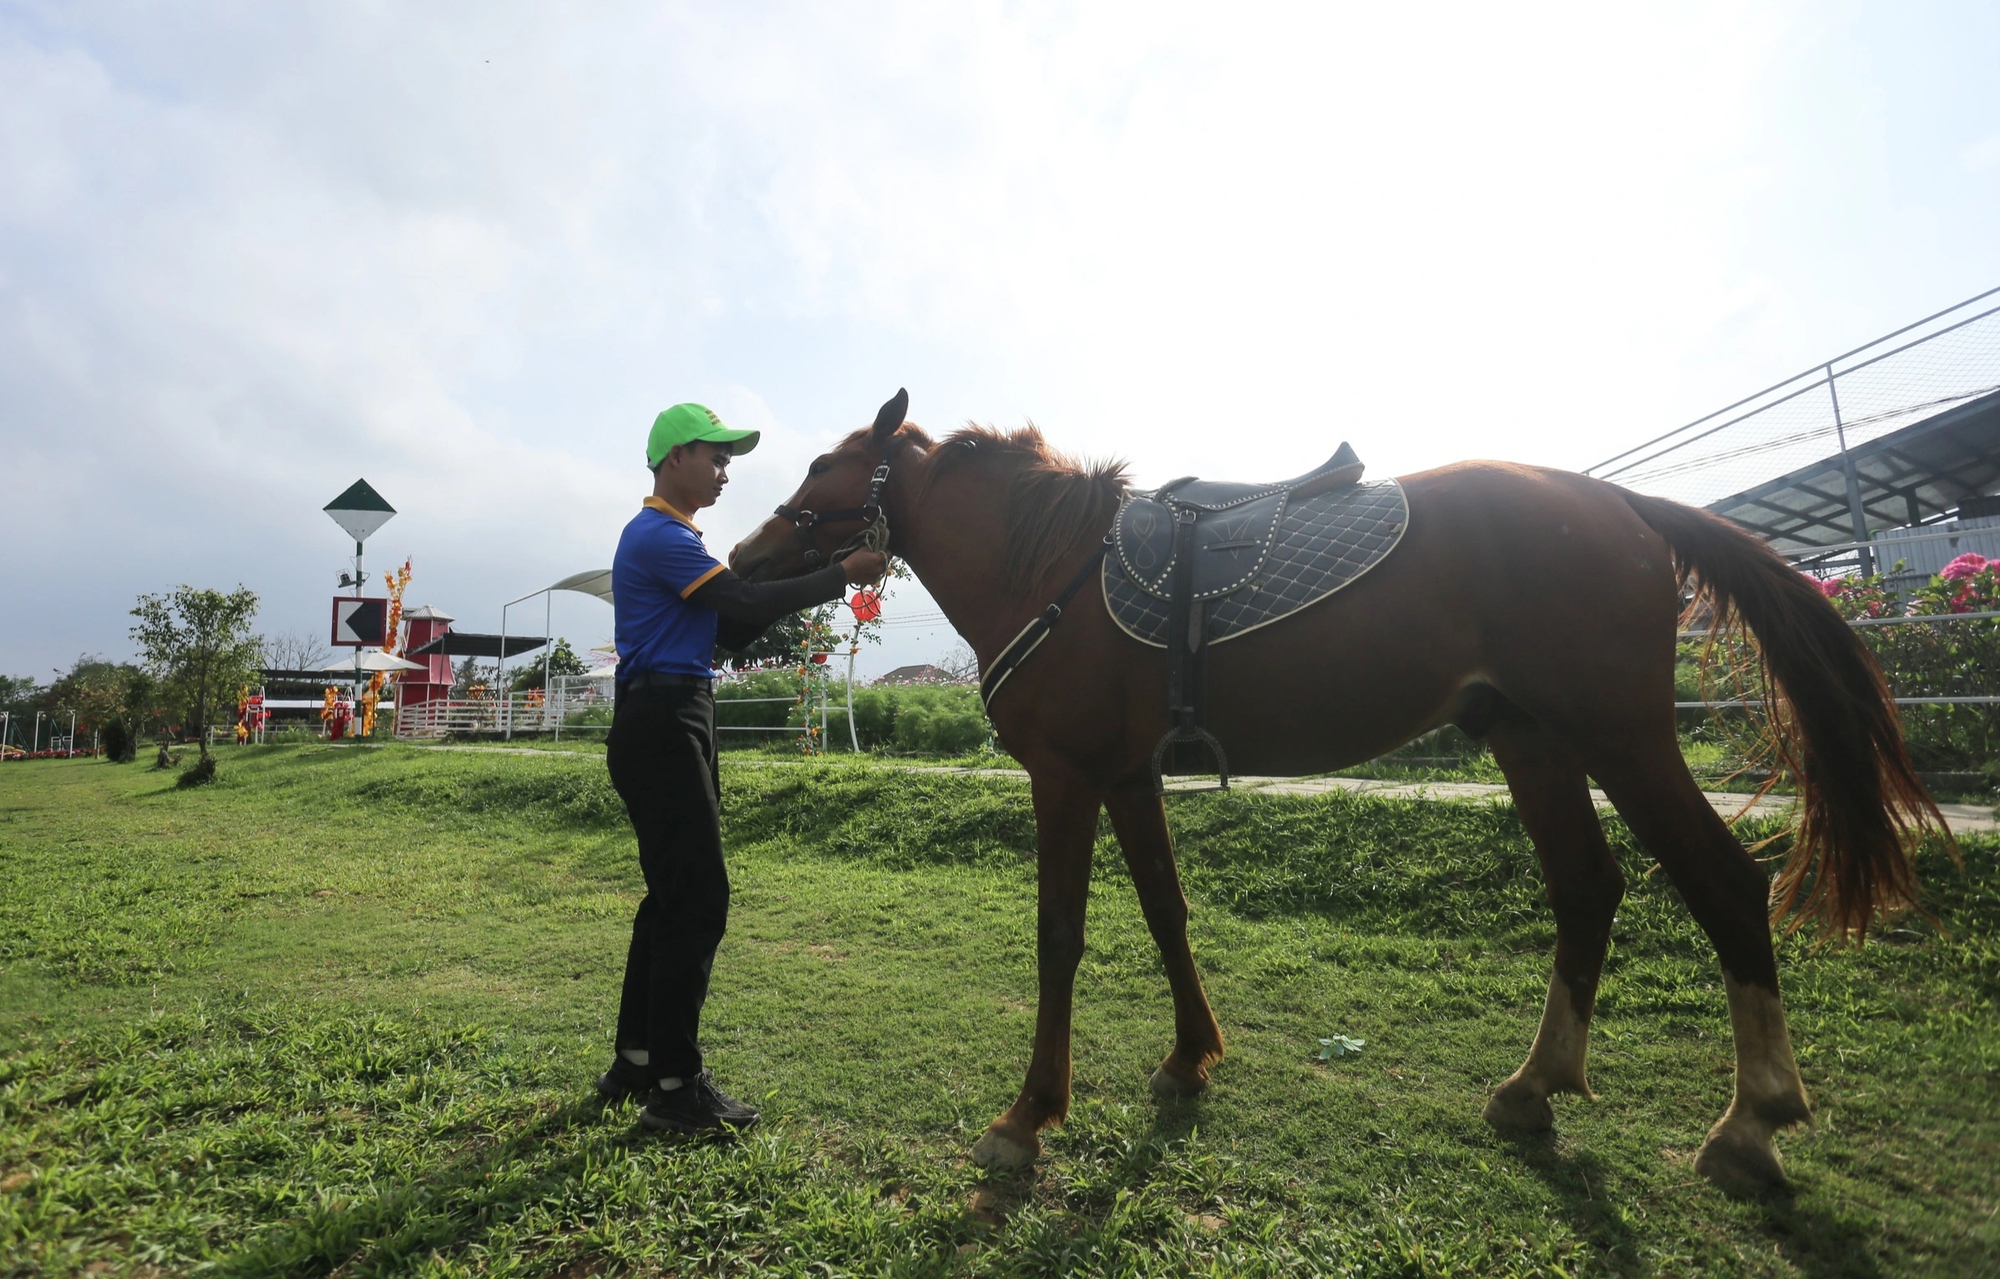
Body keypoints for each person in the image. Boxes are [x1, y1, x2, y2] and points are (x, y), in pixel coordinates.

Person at [597, 401, 885, 1135]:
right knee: (697, 898)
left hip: (675, 711)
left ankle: (638, 1060)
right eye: (715, 457)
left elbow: (732, 626)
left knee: (670, 897)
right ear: (672, 459)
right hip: (664, 719)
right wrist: (840, 576)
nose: (725, 472)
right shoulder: (660, 536)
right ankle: (676, 1085)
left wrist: (821, 567)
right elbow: (745, 597)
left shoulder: (677, 540)